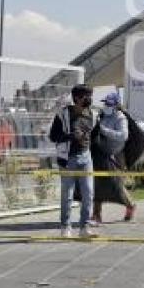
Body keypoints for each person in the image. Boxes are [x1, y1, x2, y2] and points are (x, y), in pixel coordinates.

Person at [48, 84, 97, 238]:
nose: (89, 99)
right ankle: (65, 226)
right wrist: (70, 136)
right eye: (86, 96)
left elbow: (95, 135)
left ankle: (85, 227)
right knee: (67, 194)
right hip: (68, 158)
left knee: (88, 193)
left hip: (85, 157)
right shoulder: (63, 115)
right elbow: (52, 137)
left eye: (90, 96)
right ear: (76, 98)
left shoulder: (93, 115)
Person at [90, 93, 136, 223]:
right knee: (96, 183)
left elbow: (123, 136)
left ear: (116, 105)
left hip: (115, 155)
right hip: (101, 153)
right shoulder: (102, 115)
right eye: (106, 103)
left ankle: (130, 205)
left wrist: (104, 130)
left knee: (116, 185)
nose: (106, 106)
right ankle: (96, 214)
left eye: (109, 104)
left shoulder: (120, 118)